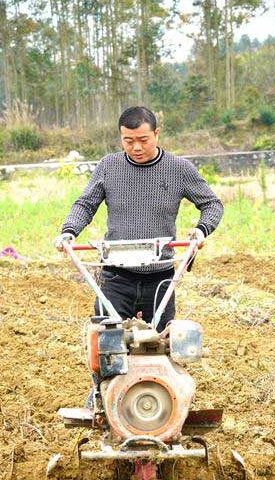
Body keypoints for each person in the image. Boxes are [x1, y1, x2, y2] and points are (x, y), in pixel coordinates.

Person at [54, 106, 223, 332]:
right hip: (115, 276)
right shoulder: (108, 166)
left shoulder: (179, 169)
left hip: (160, 278)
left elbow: (212, 204)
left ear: (157, 133)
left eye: (143, 139)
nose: (136, 147)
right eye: (128, 140)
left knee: (161, 342)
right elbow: (85, 203)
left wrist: (202, 229)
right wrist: (69, 231)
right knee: (108, 344)